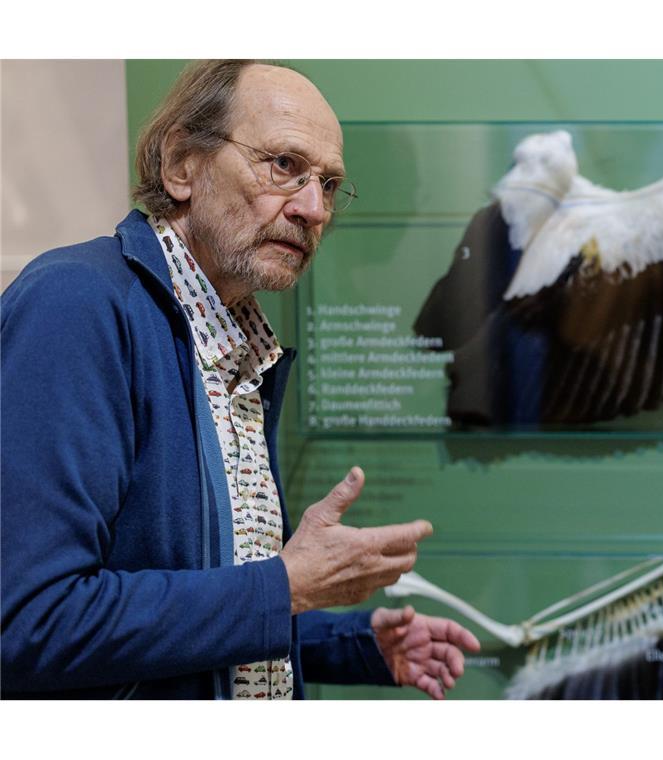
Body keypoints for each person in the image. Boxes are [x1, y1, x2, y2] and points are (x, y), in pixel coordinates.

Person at [0, 59, 479, 700]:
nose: (313, 209)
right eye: (283, 164)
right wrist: (286, 587)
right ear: (181, 165)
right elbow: (30, 622)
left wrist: (354, 644)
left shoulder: (237, 340)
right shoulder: (77, 303)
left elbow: (208, 599)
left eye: (329, 184)